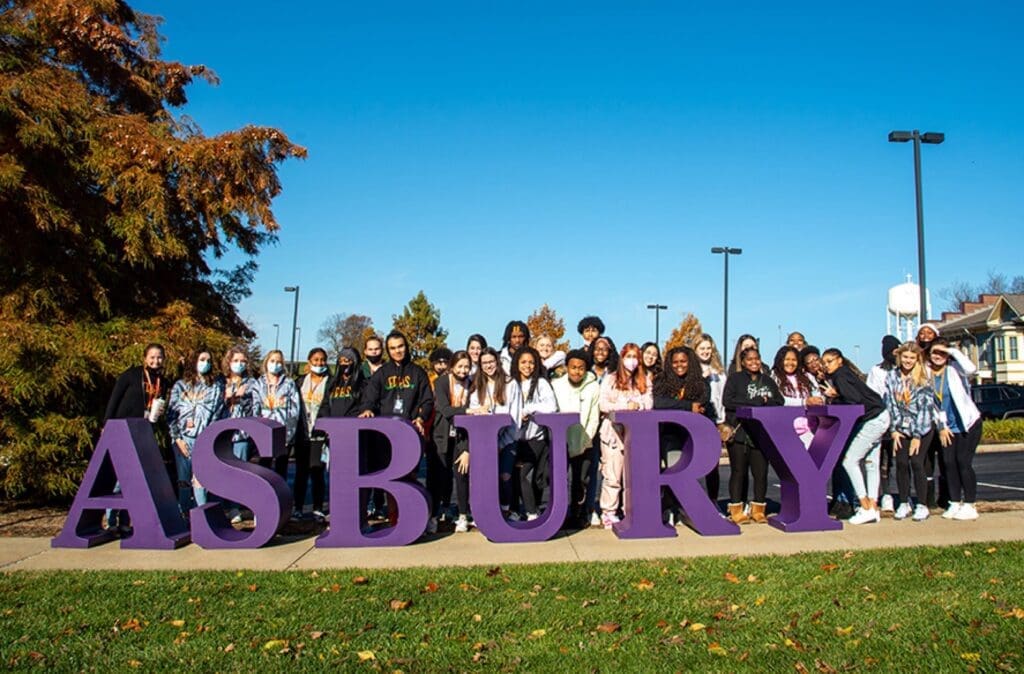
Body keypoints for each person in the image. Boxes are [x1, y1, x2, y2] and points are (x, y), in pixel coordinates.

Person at [359, 331, 436, 529]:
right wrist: (367, 409)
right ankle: (395, 521)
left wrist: (421, 417)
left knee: (409, 478)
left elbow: (427, 400)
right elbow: (370, 398)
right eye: (392, 348)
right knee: (390, 480)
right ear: (388, 350)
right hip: (385, 437)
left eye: (400, 346)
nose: (397, 351)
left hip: (409, 434)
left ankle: (414, 517)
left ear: (406, 346)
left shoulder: (418, 372)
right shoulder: (382, 373)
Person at [103, 343, 169, 533]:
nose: (156, 361)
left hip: (143, 430)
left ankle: (125, 521)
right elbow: (114, 399)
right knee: (118, 477)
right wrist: (107, 423)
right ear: (145, 358)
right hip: (122, 429)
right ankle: (111, 520)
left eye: (159, 357)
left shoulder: (162, 382)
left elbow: (157, 403)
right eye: (152, 357)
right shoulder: (131, 375)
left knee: (133, 478)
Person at [821, 348, 891, 525]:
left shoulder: (840, 376)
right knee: (871, 462)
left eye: (830, 361)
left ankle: (865, 505)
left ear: (839, 361)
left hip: (872, 419)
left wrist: (834, 397)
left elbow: (852, 401)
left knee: (849, 460)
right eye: (825, 362)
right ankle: (873, 507)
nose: (826, 365)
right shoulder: (846, 374)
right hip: (880, 414)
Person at [722, 347, 783, 524]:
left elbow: (779, 401)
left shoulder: (768, 381)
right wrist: (754, 402)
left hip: (760, 433)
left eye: (756, 359)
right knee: (738, 472)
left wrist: (766, 402)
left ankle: (758, 509)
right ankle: (736, 509)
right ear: (743, 362)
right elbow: (728, 401)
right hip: (739, 432)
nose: (754, 362)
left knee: (761, 472)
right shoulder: (735, 379)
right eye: (749, 359)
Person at [653, 346, 711, 524]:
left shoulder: (701, 383)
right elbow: (659, 402)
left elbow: (702, 403)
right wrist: (687, 406)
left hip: (692, 438)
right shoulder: (661, 381)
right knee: (675, 471)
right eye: (675, 362)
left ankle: (685, 511)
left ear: (690, 362)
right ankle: (670, 508)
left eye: (683, 361)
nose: (679, 365)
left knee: (687, 476)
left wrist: (678, 405)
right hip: (670, 436)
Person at [597, 343, 653, 529]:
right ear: (622, 358)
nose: (632, 361)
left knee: (632, 476)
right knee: (613, 475)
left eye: (635, 357)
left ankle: (630, 509)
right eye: (628, 356)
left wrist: (638, 405)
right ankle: (608, 512)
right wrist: (623, 406)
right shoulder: (611, 379)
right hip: (613, 432)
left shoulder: (644, 380)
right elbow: (603, 404)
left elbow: (649, 402)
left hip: (635, 434)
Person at [927, 338, 983, 521]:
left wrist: (952, 351)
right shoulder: (927, 375)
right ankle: (955, 502)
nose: (938, 356)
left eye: (942, 353)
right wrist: (941, 427)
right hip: (947, 427)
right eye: (935, 352)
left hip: (968, 424)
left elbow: (971, 369)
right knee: (949, 464)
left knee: (963, 462)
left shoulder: (955, 370)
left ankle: (970, 504)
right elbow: (933, 404)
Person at [883, 342, 937, 521]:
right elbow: (890, 404)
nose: (908, 361)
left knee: (916, 462)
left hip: (922, 427)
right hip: (901, 427)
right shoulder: (892, 376)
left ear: (917, 359)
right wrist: (895, 429)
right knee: (901, 464)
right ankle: (904, 502)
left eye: (912, 358)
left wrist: (917, 436)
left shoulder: (923, 378)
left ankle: (922, 504)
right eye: (905, 357)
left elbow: (925, 408)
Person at [167, 349, 224, 516]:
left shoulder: (215, 387)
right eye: (202, 359)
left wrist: (207, 438)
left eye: (208, 360)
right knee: (183, 479)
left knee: (200, 480)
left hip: (204, 440)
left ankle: (201, 514)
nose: (205, 362)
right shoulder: (180, 385)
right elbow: (171, 414)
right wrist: (177, 438)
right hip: (183, 439)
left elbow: (218, 413)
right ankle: (184, 512)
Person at [467, 347, 522, 519]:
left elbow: (515, 416)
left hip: (507, 440)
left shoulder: (510, 383)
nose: (488, 366)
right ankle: (486, 513)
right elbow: (475, 410)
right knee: (485, 478)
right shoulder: (477, 385)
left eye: (491, 362)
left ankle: (506, 509)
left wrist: (500, 444)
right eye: (484, 363)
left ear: (497, 362)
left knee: (505, 475)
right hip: (484, 441)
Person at [552, 349, 601, 528]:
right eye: (573, 367)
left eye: (581, 368)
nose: (577, 371)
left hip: (584, 440)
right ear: (566, 367)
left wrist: (587, 439)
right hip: (561, 440)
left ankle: (578, 514)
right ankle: (560, 514)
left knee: (581, 479)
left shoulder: (593, 387)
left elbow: (594, 416)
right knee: (561, 478)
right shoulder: (556, 385)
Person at [512, 346, 558, 520]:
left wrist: (529, 409)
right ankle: (515, 510)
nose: (527, 366)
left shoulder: (541, 383)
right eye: (523, 362)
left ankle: (532, 512)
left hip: (535, 439)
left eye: (531, 362)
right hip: (515, 439)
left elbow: (551, 407)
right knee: (513, 475)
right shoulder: (511, 384)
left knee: (526, 474)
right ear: (517, 364)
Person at [432, 350, 474, 532]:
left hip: (462, 436)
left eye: (467, 367)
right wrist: (469, 411)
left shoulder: (472, 385)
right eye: (460, 366)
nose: (463, 370)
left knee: (462, 475)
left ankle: (463, 515)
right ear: (452, 366)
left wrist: (467, 448)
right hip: (441, 434)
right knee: (440, 476)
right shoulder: (441, 382)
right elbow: (446, 410)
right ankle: (434, 514)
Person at [293, 347, 331, 521]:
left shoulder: (330, 382)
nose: (319, 363)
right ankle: (298, 508)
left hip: (319, 434)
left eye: (322, 360)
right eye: (316, 360)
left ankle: (317, 508)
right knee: (301, 472)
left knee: (317, 471)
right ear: (309, 362)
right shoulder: (300, 382)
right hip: (302, 433)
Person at [220, 345, 256, 524]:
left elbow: (254, 410)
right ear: (229, 362)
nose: (239, 364)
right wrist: (226, 398)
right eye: (235, 361)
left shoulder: (251, 384)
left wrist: (244, 399)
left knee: (238, 472)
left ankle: (235, 507)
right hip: (220, 434)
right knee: (220, 471)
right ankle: (219, 505)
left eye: (243, 361)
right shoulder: (219, 382)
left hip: (241, 435)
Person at [250, 349, 301, 480]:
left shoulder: (289, 384)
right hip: (264, 433)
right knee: (264, 468)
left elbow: (294, 411)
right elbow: (255, 408)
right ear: (266, 362)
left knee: (280, 470)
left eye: (279, 362)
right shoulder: (258, 384)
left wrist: (288, 435)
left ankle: (280, 498)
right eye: (272, 361)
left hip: (283, 433)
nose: (275, 364)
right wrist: (257, 432)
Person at [867, 335, 902, 512]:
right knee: (883, 460)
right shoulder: (877, 370)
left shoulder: (904, 369)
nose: (895, 354)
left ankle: (904, 496)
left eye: (897, 350)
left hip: (903, 421)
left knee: (903, 461)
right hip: (882, 420)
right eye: (892, 351)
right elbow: (873, 394)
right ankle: (886, 493)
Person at [769, 346, 824, 449]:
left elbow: (818, 395)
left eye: (794, 360)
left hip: (809, 428)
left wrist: (819, 399)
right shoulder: (773, 377)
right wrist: (804, 402)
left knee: (813, 459)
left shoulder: (807, 376)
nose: (790, 363)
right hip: (786, 429)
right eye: (787, 359)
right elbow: (779, 400)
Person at [694, 334, 727, 505]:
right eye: (702, 348)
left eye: (708, 348)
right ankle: (693, 502)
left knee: (712, 466)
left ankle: (713, 502)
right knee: (694, 463)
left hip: (715, 422)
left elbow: (722, 398)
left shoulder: (720, 373)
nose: (706, 351)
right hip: (696, 421)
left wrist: (722, 421)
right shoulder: (692, 371)